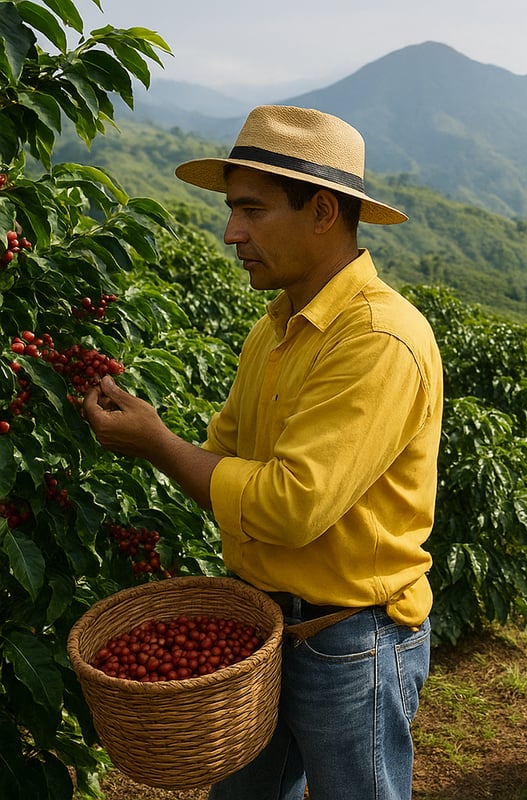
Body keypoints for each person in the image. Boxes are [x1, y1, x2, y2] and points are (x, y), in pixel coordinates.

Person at [81, 105, 444, 800]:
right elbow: (221, 455)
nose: (230, 233)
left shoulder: (377, 340)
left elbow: (289, 507)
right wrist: (161, 445)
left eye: (251, 211)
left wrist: (158, 443)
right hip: (264, 626)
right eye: (231, 210)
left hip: (350, 642)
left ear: (324, 212)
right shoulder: (274, 328)